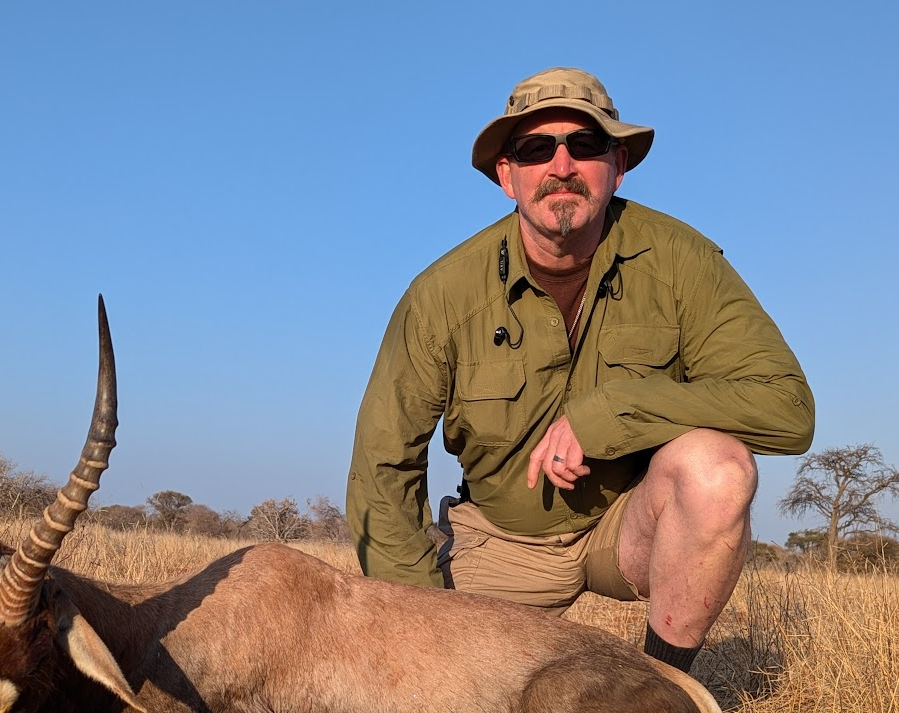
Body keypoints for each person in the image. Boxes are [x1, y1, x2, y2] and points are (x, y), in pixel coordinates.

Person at [346, 67, 814, 672]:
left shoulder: (684, 261)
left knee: (717, 470)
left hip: (626, 529)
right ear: (506, 175)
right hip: (498, 540)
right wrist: (414, 625)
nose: (562, 166)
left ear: (618, 164)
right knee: (417, 691)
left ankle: (667, 695)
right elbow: (383, 466)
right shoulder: (439, 294)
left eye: (585, 145)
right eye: (537, 149)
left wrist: (612, 414)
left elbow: (787, 408)